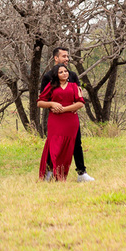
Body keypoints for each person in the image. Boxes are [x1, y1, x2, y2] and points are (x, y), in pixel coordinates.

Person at [39, 47, 95, 182]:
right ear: (56, 58)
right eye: (64, 56)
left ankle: (82, 173)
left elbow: (78, 95)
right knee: (53, 144)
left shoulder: (73, 75)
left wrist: (70, 107)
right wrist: (53, 106)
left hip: (70, 117)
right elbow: (43, 98)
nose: (67, 59)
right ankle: (49, 172)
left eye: (67, 56)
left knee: (76, 143)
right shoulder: (47, 77)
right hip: (55, 117)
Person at [37, 65, 83, 180]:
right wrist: (52, 104)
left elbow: (81, 103)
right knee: (54, 147)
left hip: (70, 121)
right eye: (60, 72)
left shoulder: (74, 86)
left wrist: (64, 109)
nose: (64, 73)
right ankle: (49, 172)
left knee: (66, 149)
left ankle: (61, 175)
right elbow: (40, 102)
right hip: (55, 120)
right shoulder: (51, 86)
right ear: (56, 75)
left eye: (65, 71)